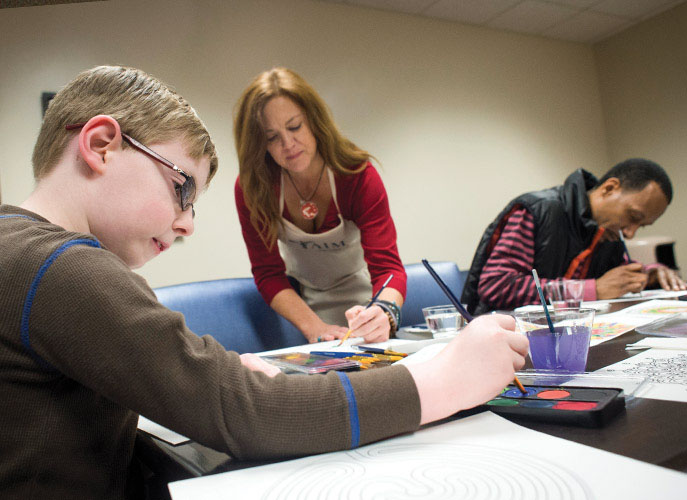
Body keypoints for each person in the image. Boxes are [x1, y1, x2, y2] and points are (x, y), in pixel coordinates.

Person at [0, 65, 529, 499]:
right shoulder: (60, 268)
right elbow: (238, 411)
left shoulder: (18, 247)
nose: (187, 224)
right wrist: (444, 379)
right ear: (101, 145)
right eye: (182, 187)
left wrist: (222, 380)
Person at [234, 68, 404, 344]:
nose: (288, 144)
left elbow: (389, 269)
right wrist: (313, 327)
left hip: (367, 300)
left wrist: (383, 312)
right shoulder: (253, 187)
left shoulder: (356, 175)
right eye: (272, 137)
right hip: (303, 311)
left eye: (294, 127)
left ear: (314, 120)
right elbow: (268, 274)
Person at [462, 159, 687, 315]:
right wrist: (591, 290)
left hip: (567, 335)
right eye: (633, 216)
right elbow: (496, 285)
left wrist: (649, 274)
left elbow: (617, 278)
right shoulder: (537, 210)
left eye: (642, 226)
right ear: (610, 188)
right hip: (508, 341)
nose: (630, 232)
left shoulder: (608, 231)